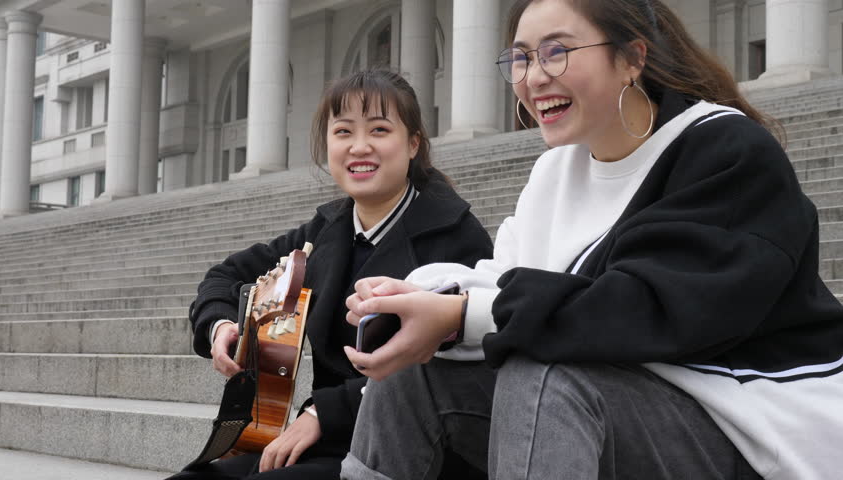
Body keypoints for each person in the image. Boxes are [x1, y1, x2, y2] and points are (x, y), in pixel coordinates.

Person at [340, 1, 843, 479]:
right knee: (415, 372)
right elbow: (505, 278)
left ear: (631, 58)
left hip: (750, 432)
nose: (535, 77)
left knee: (544, 372)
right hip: (617, 411)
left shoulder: (724, 151)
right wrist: (425, 299)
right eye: (521, 58)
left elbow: (641, 311)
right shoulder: (556, 170)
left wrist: (460, 314)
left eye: (557, 51)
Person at [167, 69, 493, 480]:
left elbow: (452, 369)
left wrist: (326, 411)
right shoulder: (325, 232)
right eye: (343, 132)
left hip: (408, 448)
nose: (360, 147)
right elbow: (223, 275)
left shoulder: (456, 234)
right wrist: (219, 326)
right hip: (324, 437)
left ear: (413, 144)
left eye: (379, 129)